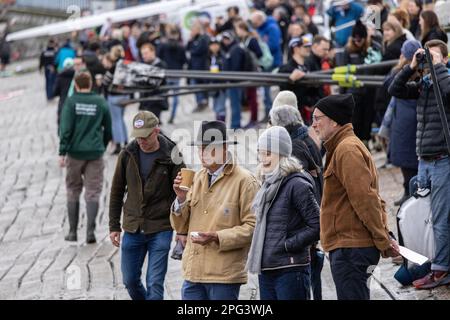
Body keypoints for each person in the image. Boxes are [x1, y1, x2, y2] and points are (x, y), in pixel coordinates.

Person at [311, 94, 399, 300]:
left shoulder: (347, 149)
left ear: (333, 120)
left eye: (317, 118)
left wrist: (383, 239)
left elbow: (366, 200)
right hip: (348, 246)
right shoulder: (341, 146)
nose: (313, 125)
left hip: (351, 248)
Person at [171, 120, 258, 300]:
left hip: (223, 275)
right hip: (193, 273)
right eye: (200, 148)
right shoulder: (197, 177)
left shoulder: (245, 181)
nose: (202, 153)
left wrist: (218, 237)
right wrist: (180, 198)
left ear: (225, 148)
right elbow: (181, 226)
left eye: (209, 148)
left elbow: (253, 227)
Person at [388, 39, 450, 289]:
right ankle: (430, 259)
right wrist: (411, 66)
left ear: (445, 59)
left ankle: (441, 269)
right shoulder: (424, 84)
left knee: (441, 218)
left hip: (442, 159)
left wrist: (438, 67)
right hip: (423, 159)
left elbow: (447, 91)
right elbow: (395, 89)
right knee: (425, 215)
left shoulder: (445, 79)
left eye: (436, 56)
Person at [109, 111, 184, 300]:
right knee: (130, 281)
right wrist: (113, 226)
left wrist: (182, 229)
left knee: (154, 282)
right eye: (137, 136)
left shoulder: (172, 155)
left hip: (161, 227)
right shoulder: (127, 154)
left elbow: (183, 194)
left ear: (156, 131)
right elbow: (117, 190)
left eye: (145, 136)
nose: (141, 140)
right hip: (133, 227)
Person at [247, 126, 320, 300]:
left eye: (268, 153)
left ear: (281, 154)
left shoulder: (297, 184)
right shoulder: (266, 184)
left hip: (290, 269)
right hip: (267, 269)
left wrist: (288, 245)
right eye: (260, 153)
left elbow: (318, 225)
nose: (263, 159)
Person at [59, 71, 112, 243]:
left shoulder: (71, 102)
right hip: (95, 153)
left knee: (73, 189)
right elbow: (108, 129)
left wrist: (62, 151)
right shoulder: (100, 101)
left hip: (75, 153)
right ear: (90, 84)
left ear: (75, 84)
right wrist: (102, 146)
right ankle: (90, 232)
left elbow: (65, 129)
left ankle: (73, 232)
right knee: (93, 191)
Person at [378, 39, 421, 206]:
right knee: (406, 156)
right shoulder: (403, 71)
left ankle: (410, 191)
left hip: (406, 117)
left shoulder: (404, 71)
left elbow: (391, 86)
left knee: (407, 156)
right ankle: (407, 190)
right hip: (404, 116)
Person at [251, 10, 282, 122]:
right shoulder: (259, 28)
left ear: (260, 19)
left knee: (271, 90)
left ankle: (272, 114)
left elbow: (273, 45)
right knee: (265, 90)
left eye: (254, 22)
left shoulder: (272, 28)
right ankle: (268, 113)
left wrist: (259, 42)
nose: (253, 24)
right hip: (264, 63)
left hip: (272, 62)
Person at [278, 36, 317, 125]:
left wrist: (312, 103)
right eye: (305, 47)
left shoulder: (309, 65)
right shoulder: (286, 68)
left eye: (309, 47)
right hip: (292, 112)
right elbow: (282, 91)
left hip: (307, 111)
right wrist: (291, 79)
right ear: (296, 49)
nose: (308, 49)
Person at [234, 21, 263, 129]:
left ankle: (254, 120)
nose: (236, 32)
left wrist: (249, 55)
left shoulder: (251, 40)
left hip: (252, 72)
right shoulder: (243, 40)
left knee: (253, 96)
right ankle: (252, 119)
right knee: (250, 96)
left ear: (242, 29)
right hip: (247, 72)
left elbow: (260, 53)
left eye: (237, 29)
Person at [101, 45, 129, 155]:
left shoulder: (114, 67)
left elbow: (105, 82)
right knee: (121, 119)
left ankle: (118, 144)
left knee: (115, 120)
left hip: (114, 96)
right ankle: (126, 141)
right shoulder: (126, 65)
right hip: (125, 95)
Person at [157, 26, 187, 124]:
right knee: (175, 97)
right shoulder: (181, 46)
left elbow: (158, 57)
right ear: (177, 35)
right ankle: (172, 117)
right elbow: (184, 60)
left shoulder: (163, 45)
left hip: (165, 73)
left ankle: (159, 117)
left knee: (162, 95)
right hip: (176, 74)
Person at [221, 32, 246, 130]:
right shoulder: (232, 49)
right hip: (233, 80)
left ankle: (235, 125)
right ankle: (235, 124)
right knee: (234, 103)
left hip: (235, 81)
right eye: (224, 38)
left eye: (227, 38)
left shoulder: (235, 49)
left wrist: (231, 78)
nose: (225, 41)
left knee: (235, 104)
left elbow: (236, 66)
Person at [139, 42, 168, 120]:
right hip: (145, 101)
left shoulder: (161, 64)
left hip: (156, 101)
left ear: (153, 52)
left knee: (152, 125)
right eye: (142, 54)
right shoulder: (142, 64)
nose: (144, 56)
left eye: (146, 53)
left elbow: (155, 83)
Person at [187, 20, 210, 113]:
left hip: (202, 66)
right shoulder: (193, 39)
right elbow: (187, 49)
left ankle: (203, 102)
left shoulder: (204, 38)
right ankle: (200, 102)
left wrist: (192, 51)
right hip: (194, 67)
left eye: (193, 29)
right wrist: (190, 40)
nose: (192, 31)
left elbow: (198, 51)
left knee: (201, 85)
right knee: (196, 85)